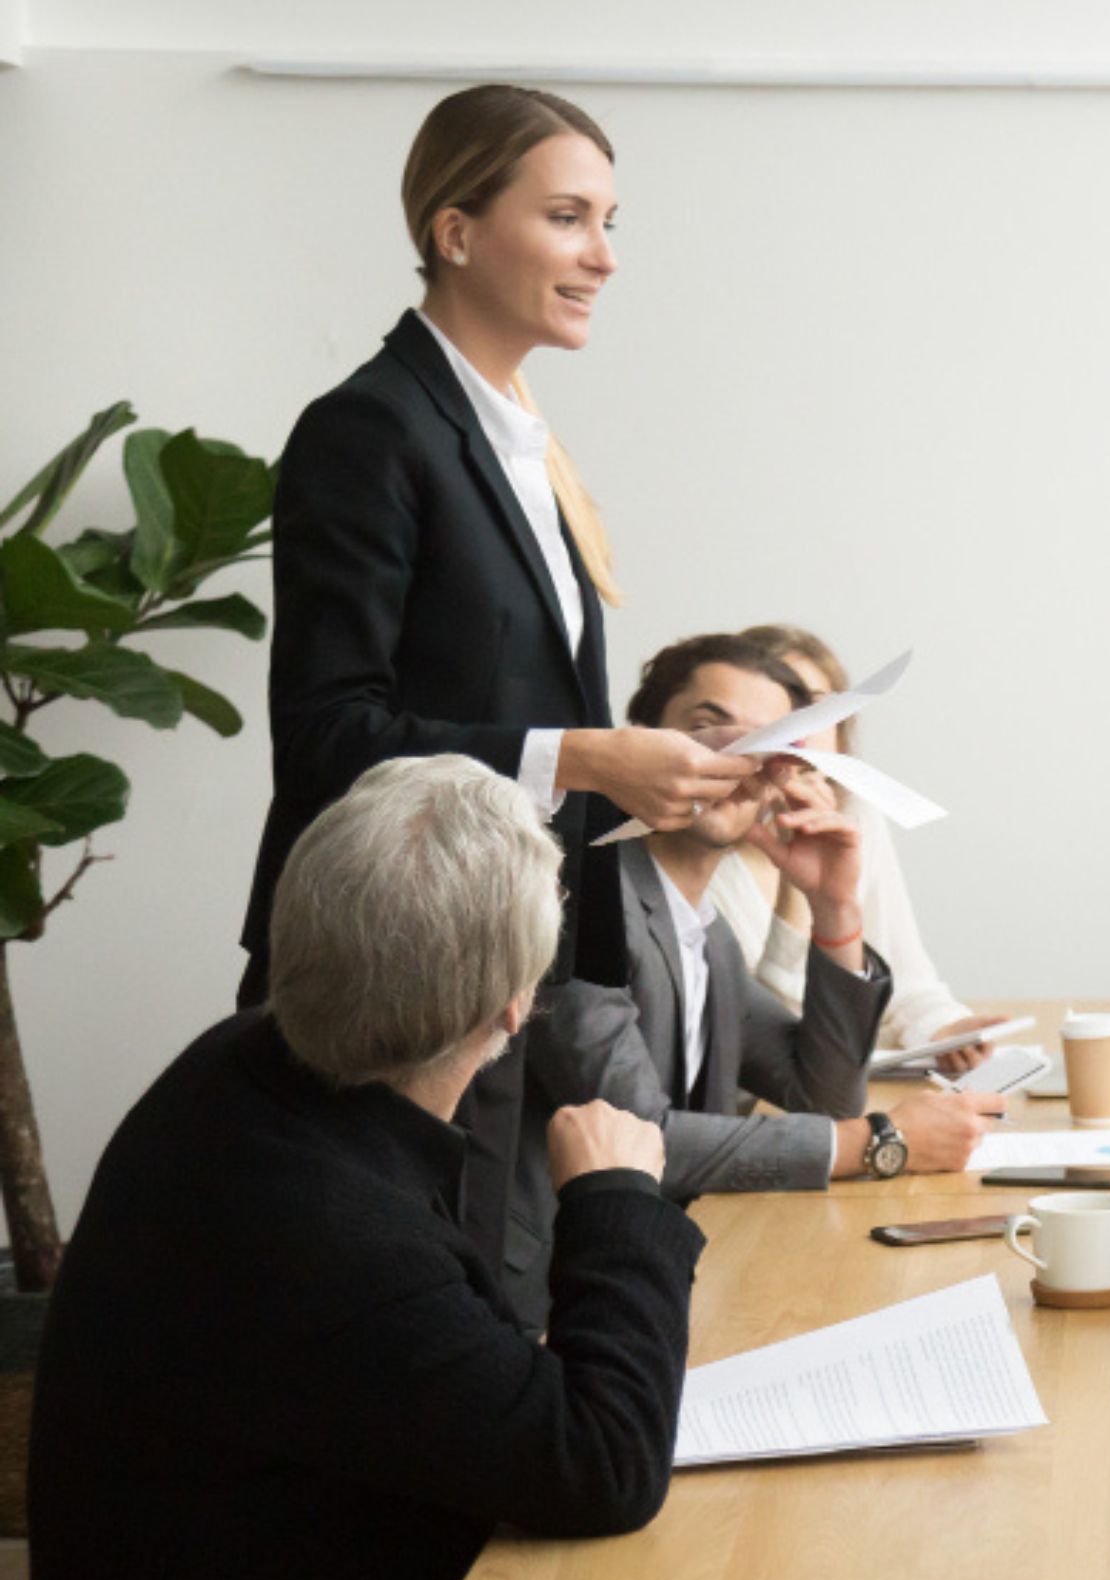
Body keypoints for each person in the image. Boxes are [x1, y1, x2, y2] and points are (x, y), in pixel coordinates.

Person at [31, 756, 700, 1580]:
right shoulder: (333, 1239)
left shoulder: (235, 1066)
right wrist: (618, 1198)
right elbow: (603, 1466)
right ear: (515, 1005)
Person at [244, 85, 761, 1273]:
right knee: (395, 1331)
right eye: (571, 217)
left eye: (612, 221)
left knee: (492, 1315)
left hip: (510, 972)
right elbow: (326, 733)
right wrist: (587, 756)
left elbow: (523, 703)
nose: (605, 256)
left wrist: (663, 785)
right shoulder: (369, 430)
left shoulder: (524, 444)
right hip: (391, 985)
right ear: (456, 230)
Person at [515, 635, 1005, 1326]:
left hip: (667, 1270)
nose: (735, 760)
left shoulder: (702, 930)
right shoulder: (581, 906)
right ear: (643, 747)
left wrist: (834, 907)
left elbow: (822, 1094)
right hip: (550, 1299)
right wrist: (879, 1142)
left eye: (768, 743)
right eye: (705, 728)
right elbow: (640, 1137)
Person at [704, 622, 1012, 1075]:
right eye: (785, 711)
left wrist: (944, 1029)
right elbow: (765, 1038)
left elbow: (906, 980)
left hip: (845, 1086)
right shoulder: (703, 845)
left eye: (818, 711)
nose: (802, 733)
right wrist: (800, 891)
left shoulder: (857, 816)